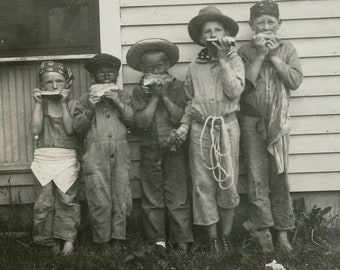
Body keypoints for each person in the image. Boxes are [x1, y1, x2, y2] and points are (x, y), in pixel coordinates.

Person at [176, 6, 245, 255]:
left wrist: (224, 59)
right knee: (203, 183)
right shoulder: (195, 66)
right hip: (200, 129)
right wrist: (184, 126)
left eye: (218, 29)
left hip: (226, 126)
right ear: (200, 38)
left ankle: (226, 235)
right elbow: (189, 101)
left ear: (226, 34)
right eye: (207, 31)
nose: (213, 34)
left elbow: (235, 92)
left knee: (227, 181)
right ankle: (212, 237)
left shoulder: (235, 60)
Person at [238, 0, 303, 253]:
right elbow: (244, 88)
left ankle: (283, 233)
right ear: (251, 26)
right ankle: (263, 232)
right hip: (252, 120)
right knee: (256, 177)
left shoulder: (287, 48)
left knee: (279, 175)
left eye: (270, 23)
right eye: (260, 23)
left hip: (278, 120)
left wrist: (275, 58)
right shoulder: (244, 51)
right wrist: (261, 54)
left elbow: (295, 81)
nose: (265, 27)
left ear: (279, 25)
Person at [127, 38, 193, 254]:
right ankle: (157, 241)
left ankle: (182, 239)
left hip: (176, 148)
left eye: (160, 66)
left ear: (168, 66)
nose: (155, 71)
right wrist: (154, 97)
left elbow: (179, 117)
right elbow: (142, 123)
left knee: (178, 195)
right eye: (149, 68)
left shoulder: (179, 87)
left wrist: (164, 95)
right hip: (149, 149)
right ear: (142, 70)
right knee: (152, 196)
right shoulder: (139, 92)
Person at [73, 54, 133, 255]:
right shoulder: (83, 100)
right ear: (93, 77)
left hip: (120, 151)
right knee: (99, 197)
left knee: (121, 195)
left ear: (116, 74)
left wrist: (119, 103)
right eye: (101, 71)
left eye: (110, 70)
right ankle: (102, 241)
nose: (106, 74)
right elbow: (77, 128)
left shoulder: (124, 95)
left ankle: (118, 238)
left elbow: (134, 121)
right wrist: (90, 107)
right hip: (94, 153)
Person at [30, 61, 80, 255]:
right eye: (48, 82)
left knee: (67, 200)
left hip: (66, 158)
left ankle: (68, 239)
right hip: (44, 158)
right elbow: (35, 130)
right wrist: (36, 104)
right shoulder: (40, 106)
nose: (54, 86)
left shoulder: (73, 104)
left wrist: (64, 104)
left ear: (67, 84)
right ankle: (47, 241)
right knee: (44, 201)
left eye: (59, 81)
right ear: (42, 85)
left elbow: (70, 130)